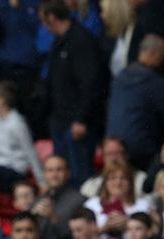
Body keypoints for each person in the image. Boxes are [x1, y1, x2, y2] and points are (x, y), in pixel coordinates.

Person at [40, 0, 107, 187]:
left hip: (76, 123)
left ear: (51, 18)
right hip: (60, 119)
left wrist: (82, 118)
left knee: (79, 177)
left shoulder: (82, 41)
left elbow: (92, 84)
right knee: (62, 176)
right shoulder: (59, 43)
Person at [105, 34, 164, 169]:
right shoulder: (152, 80)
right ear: (154, 53)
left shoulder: (120, 76)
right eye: (163, 55)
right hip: (142, 148)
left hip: (113, 144)